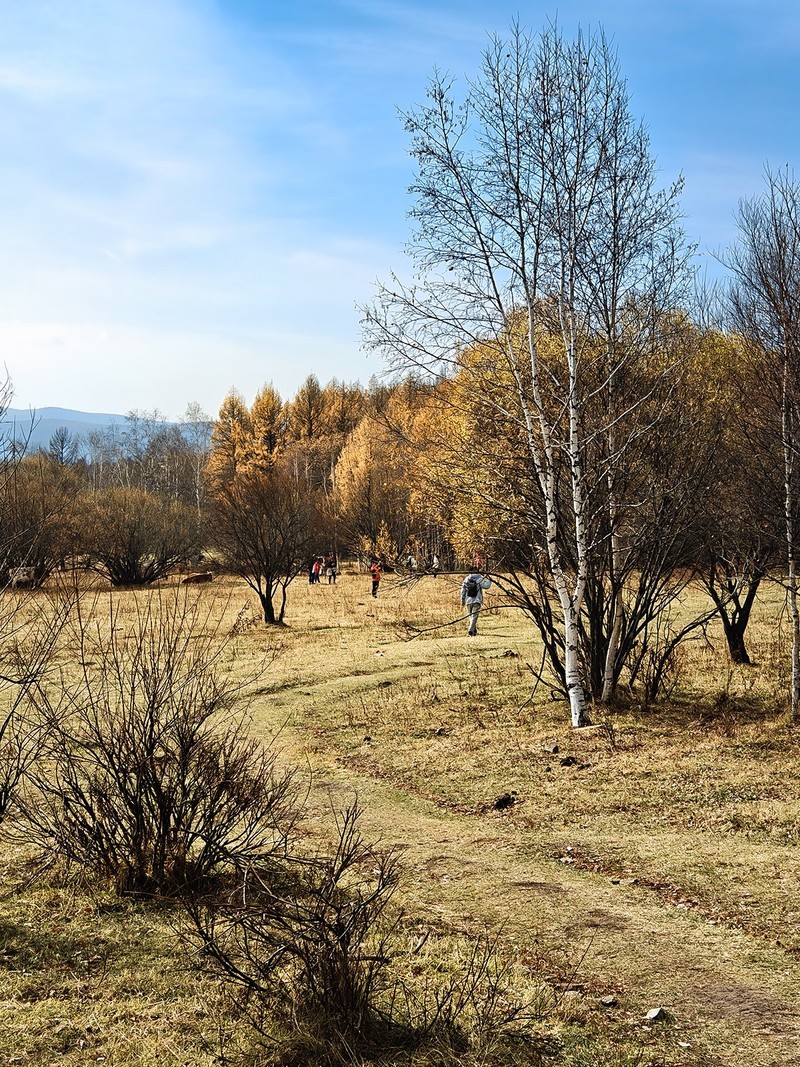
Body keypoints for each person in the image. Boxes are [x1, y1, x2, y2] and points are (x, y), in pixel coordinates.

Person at [461, 569, 492, 636]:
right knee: (474, 616)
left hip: (468, 601)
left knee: (471, 616)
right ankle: (470, 630)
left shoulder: (466, 579)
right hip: (477, 600)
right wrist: (489, 579)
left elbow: (463, 591)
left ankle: (474, 630)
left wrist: (463, 600)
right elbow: (486, 586)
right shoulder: (479, 579)